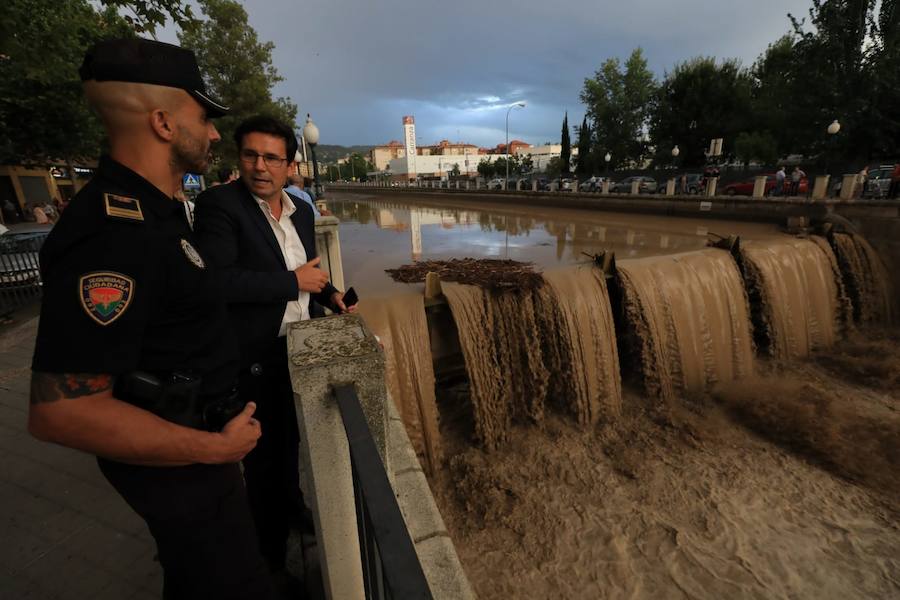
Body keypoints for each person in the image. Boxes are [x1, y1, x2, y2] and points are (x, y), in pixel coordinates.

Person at [27, 38, 277, 600]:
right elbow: (61, 413)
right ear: (163, 121)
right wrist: (213, 450)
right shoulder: (111, 234)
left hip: (195, 457)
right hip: (185, 468)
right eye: (204, 117)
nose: (214, 133)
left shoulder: (156, 211)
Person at [193, 115, 356, 586]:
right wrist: (293, 282)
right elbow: (215, 282)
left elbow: (307, 272)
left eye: (272, 158)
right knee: (262, 463)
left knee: (292, 443)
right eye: (251, 155)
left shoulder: (301, 211)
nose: (260, 167)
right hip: (254, 359)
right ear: (239, 158)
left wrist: (332, 296)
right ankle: (266, 562)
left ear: (290, 164)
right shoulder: (219, 206)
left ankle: (294, 510)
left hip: (301, 351)